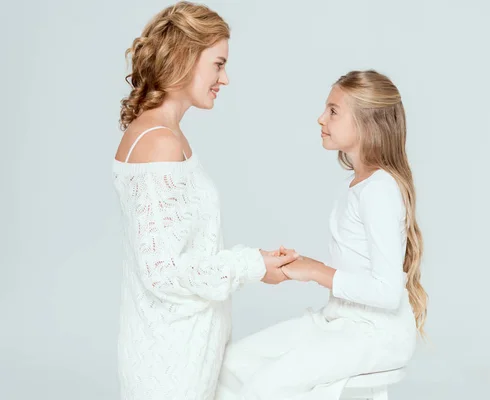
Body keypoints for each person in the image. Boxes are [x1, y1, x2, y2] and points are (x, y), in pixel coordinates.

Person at [112, 2, 297, 399]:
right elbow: (164, 274)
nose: (225, 78)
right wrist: (252, 265)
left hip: (182, 351)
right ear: (183, 58)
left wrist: (255, 262)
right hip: (172, 364)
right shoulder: (159, 142)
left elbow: (178, 251)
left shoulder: (162, 135)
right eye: (218, 63)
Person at [216, 70, 428, 400]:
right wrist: (301, 267)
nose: (320, 118)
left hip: (376, 333)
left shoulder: (380, 190)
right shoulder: (353, 186)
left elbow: (387, 293)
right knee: (232, 365)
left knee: (265, 387)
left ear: (366, 123)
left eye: (333, 111)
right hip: (340, 320)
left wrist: (315, 272)